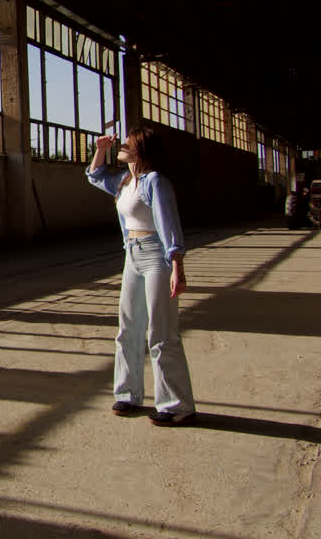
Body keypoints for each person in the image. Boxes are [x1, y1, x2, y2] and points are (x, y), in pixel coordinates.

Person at [85, 125, 197, 426]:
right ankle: (128, 394)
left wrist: (177, 266)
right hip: (132, 256)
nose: (121, 145)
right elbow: (94, 176)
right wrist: (100, 150)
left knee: (161, 334)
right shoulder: (124, 181)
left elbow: (169, 224)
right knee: (128, 329)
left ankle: (177, 405)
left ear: (140, 151)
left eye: (127, 143)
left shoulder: (155, 182)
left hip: (156, 257)